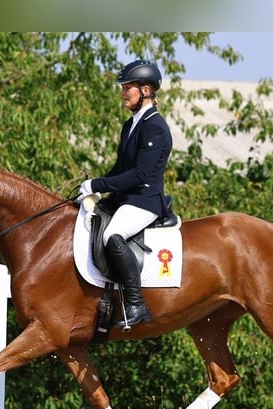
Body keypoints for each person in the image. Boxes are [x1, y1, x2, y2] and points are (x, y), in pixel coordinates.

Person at [79, 59, 173, 328]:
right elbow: (120, 168)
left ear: (145, 90)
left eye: (127, 88)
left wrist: (98, 185)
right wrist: (92, 188)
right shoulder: (130, 125)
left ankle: (135, 303)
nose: (122, 93)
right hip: (125, 199)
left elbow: (141, 174)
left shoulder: (155, 126)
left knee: (112, 235)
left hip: (145, 201)